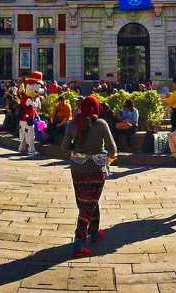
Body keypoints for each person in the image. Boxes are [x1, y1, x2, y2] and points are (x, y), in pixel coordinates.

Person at [61, 95, 117, 258]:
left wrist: (78, 148)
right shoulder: (101, 124)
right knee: (88, 205)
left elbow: (65, 147)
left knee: (87, 201)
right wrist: (104, 156)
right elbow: (113, 149)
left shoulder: (72, 123)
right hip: (96, 170)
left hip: (77, 169)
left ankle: (94, 231)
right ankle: (78, 244)